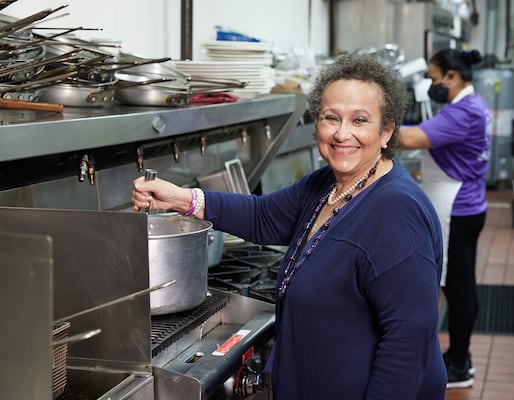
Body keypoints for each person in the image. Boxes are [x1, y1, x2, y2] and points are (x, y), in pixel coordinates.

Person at [132, 54, 446, 399]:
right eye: (331, 118)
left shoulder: (396, 212)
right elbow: (263, 216)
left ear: (386, 131)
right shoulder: (328, 184)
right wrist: (180, 199)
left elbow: (409, 338)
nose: (342, 133)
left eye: (360, 120)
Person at [397, 48, 490, 389]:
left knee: (457, 287)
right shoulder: (467, 106)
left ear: (451, 77)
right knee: (462, 283)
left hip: (457, 209)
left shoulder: (463, 112)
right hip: (466, 205)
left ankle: (459, 363)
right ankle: (459, 358)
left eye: (434, 78)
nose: (431, 85)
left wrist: (364, 122)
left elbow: (408, 138)